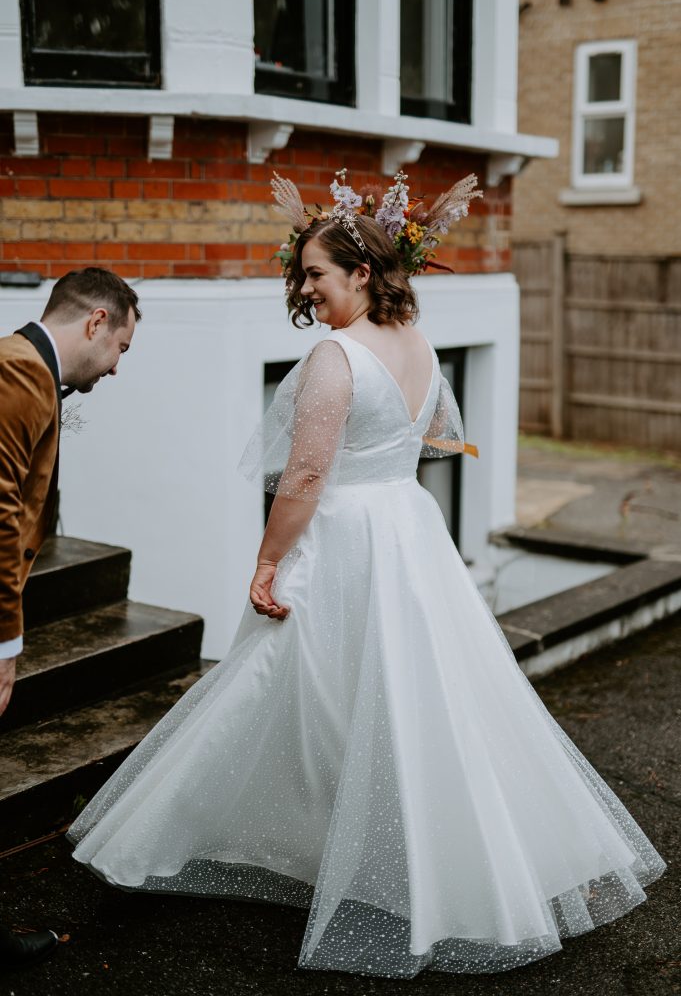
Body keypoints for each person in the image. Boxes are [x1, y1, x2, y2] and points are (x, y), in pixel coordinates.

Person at [67, 176, 665, 979]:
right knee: (412, 698)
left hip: (345, 533)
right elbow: (430, 441)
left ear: (358, 272)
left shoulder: (337, 355)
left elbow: (307, 476)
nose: (304, 288)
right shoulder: (416, 343)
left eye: (315, 273)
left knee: (293, 680)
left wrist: (268, 556)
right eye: (302, 275)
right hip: (406, 527)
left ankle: (193, 835)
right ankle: (387, 853)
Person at [0, 267, 140, 968]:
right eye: (121, 348)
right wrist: (5, 644)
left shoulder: (22, 366)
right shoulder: (18, 372)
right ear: (95, 322)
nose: (116, 368)